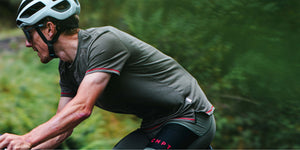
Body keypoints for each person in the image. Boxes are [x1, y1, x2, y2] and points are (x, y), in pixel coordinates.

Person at [0, 0, 216, 149]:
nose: (28, 43)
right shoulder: (67, 68)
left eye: (29, 33)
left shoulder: (104, 42)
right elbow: (62, 129)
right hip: (153, 126)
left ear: (49, 29)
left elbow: (81, 109)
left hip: (189, 116)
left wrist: (27, 139)